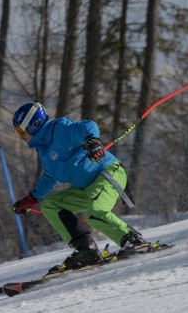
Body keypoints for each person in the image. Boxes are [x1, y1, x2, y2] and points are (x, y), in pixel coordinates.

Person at [12, 102, 150, 272]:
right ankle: (86, 249)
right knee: (50, 205)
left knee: (95, 213)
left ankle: (134, 240)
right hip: (88, 188)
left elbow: (88, 126)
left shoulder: (59, 129)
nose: (20, 136)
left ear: (34, 124)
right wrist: (31, 199)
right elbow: (50, 178)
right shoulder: (44, 153)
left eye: (20, 131)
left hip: (107, 173)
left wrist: (93, 142)